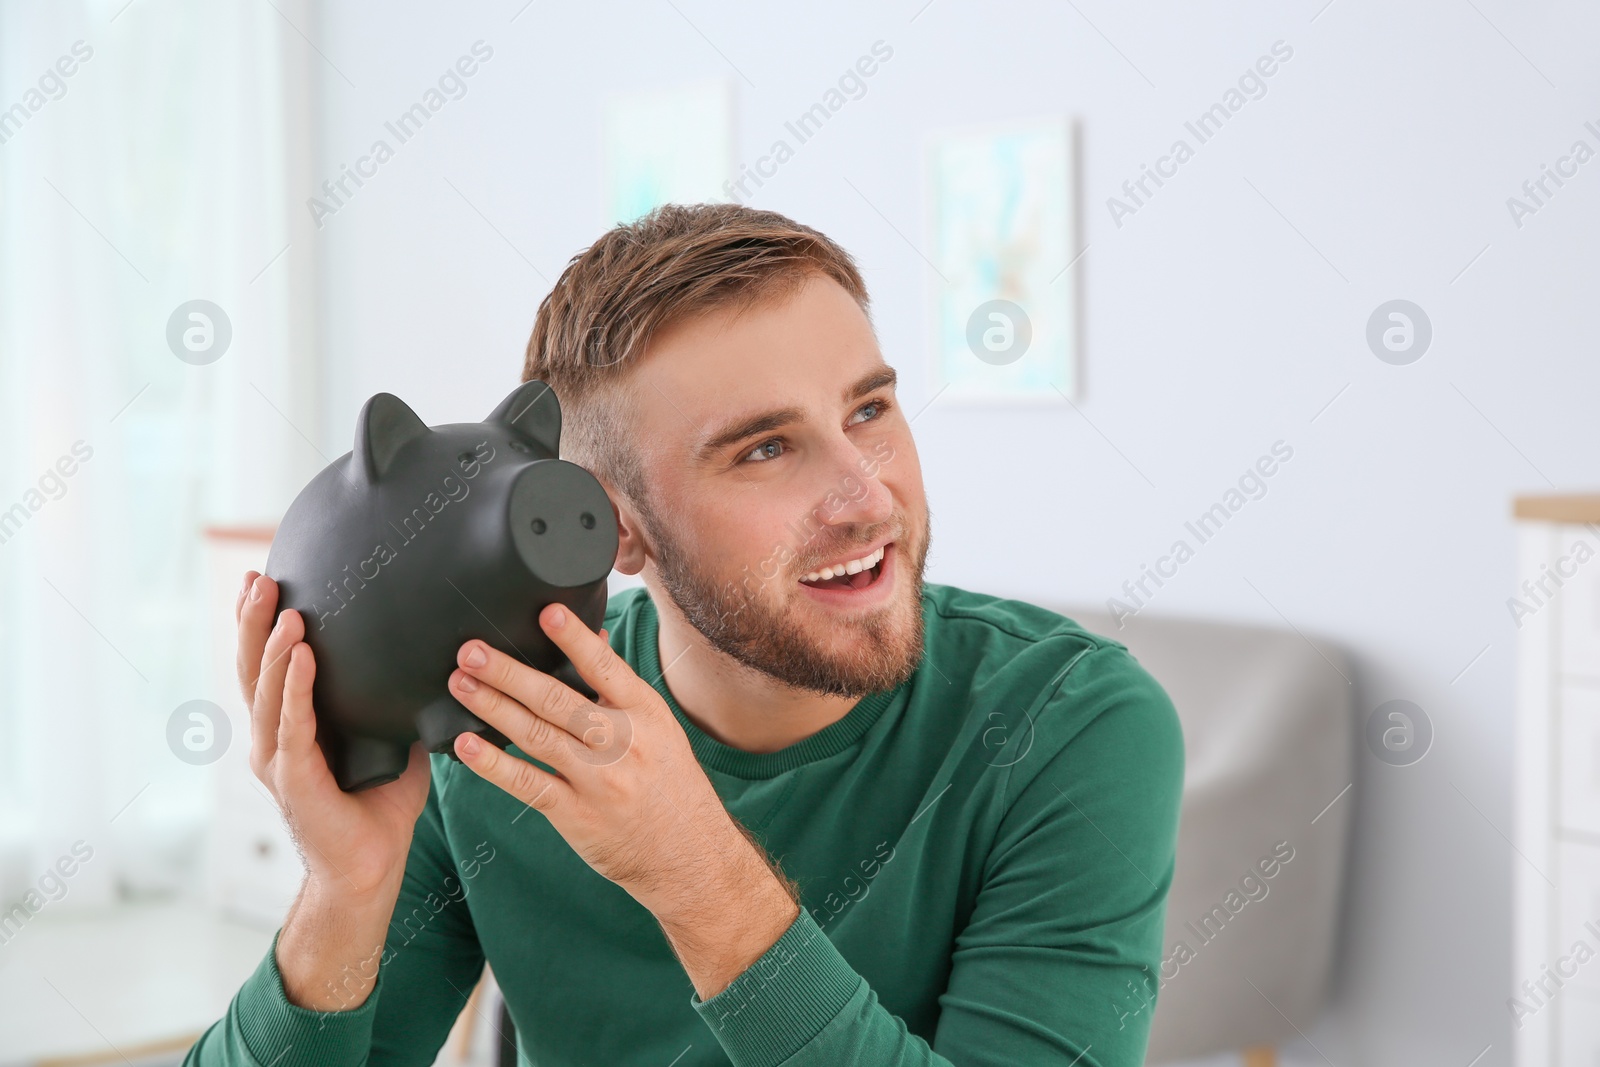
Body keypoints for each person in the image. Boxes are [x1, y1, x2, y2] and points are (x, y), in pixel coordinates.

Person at [187, 203, 1184, 1067]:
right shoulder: (502, 732)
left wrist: (696, 875)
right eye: (762, 448)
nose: (865, 492)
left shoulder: (1071, 725)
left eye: (868, 408)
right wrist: (343, 886)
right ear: (610, 524)